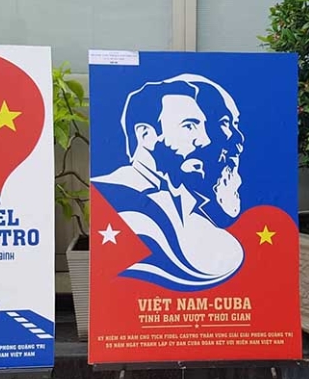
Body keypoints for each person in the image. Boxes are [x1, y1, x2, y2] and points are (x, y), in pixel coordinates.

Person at [92, 74, 246, 291]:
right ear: (146, 135)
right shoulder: (112, 193)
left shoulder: (189, 201)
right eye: (190, 126)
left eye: (202, 127)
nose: (205, 140)